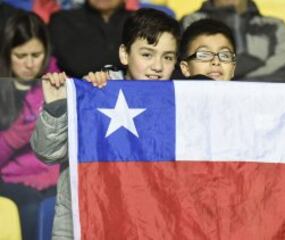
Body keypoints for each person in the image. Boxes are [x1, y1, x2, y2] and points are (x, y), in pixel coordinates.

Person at [31, 8, 180, 239]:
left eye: (168, 57)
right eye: (147, 54)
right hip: (86, 228)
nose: (158, 67)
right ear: (124, 54)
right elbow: (47, 152)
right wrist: (56, 108)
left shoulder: (179, 104)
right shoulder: (95, 93)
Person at [0, 12, 60, 240]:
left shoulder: (54, 85)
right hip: (9, 179)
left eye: (36, 55)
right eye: (20, 55)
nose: (29, 63)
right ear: (7, 54)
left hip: (51, 177)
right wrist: (14, 137)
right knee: (33, 208)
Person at [181, 0, 285, 82]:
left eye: (225, 55)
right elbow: (181, 72)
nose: (217, 62)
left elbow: (281, 76)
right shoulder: (190, 22)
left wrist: (229, 79)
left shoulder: (275, 27)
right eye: (205, 54)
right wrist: (252, 63)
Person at [48, 0, 132, 77]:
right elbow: (75, 65)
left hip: (132, 90)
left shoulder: (139, 21)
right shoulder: (62, 20)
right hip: (77, 90)